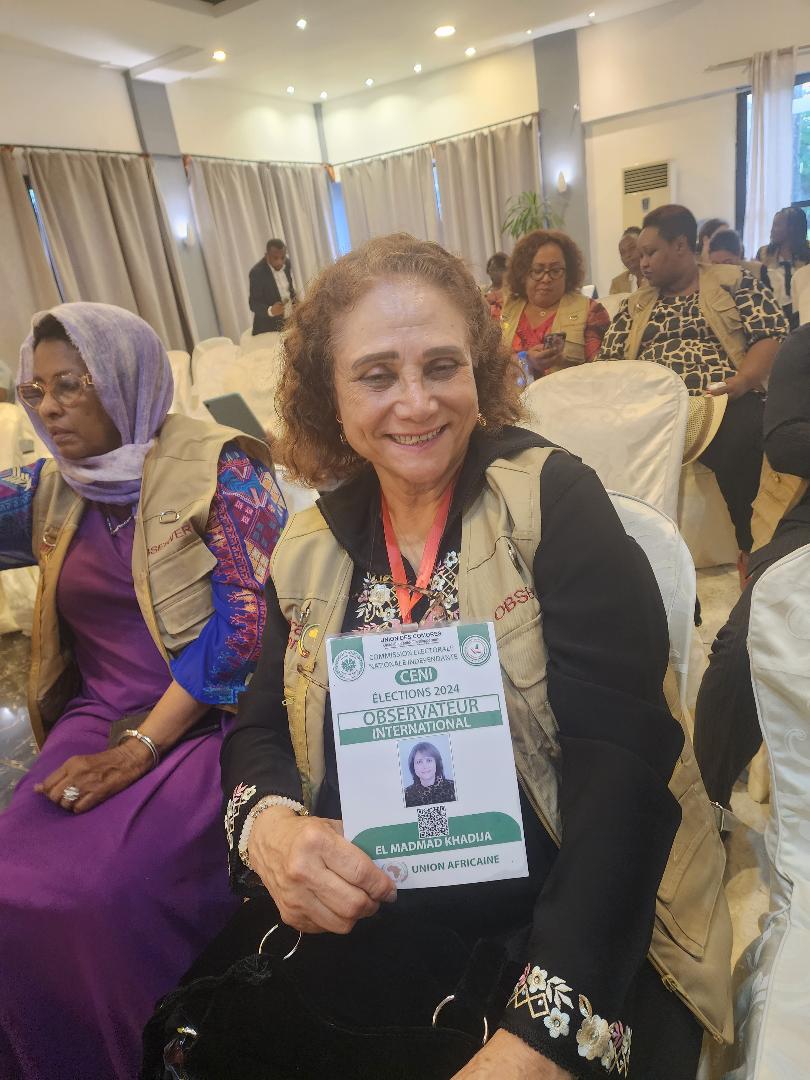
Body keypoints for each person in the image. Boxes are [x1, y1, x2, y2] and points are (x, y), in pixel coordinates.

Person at [159, 234, 732, 1080]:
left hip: (572, 912)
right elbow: (259, 729)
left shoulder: (553, 502)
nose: (417, 402)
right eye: (377, 375)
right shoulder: (309, 546)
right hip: (380, 906)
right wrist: (269, 827)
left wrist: (541, 1038)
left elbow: (625, 770)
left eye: (441, 366)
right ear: (328, 396)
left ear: (480, 372)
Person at [0, 302, 288, 1079]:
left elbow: (246, 629)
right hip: (97, 718)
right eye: (36, 389)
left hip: (208, 723)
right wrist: (116, 743)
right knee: (10, 885)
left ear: (124, 378)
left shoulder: (224, 469)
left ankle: (155, 1049)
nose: (49, 407)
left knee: (97, 898)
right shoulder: (54, 487)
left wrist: (138, 750)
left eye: (71, 384)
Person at [598, 203, 789, 561]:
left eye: (651, 253)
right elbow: (607, 362)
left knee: (745, 430)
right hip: (649, 407)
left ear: (681, 245)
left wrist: (743, 381)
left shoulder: (733, 282)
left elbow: (770, 335)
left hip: (722, 399)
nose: (643, 263)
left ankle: (753, 550)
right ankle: (633, 555)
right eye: (641, 255)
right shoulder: (635, 305)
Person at [694, 326, 810, 807]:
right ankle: (708, 803)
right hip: (806, 524)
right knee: (744, 641)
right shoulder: (805, 344)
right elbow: (787, 442)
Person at [501, 229, 610, 380]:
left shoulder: (591, 312)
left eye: (556, 270)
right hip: (511, 394)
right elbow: (486, 365)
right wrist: (525, 361)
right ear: (522, 273)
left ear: (568, 273)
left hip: (569, 393)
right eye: (537, 270)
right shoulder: (501, 309)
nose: (546, 278)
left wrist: (565, 365)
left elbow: (603, 373)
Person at [248, 238, 296, 335]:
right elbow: (253, 303)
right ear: (267, 256)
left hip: (288, 321)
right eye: (275, 258)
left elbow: (289, 289)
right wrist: (270, 311)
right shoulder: (257, 273)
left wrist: (296, 302)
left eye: (283, 257)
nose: (280, 262)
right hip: (267, 328)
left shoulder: (287, 263)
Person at [756, 205, 810, 271]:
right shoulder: (763, 253)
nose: (772, 230)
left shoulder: (807, 257)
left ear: (792, 228)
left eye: (777, 225)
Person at [403, 741, 456, 807]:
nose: (425, 766)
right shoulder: (406, 795)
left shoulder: (453, 787)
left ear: (436, 763)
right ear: (413, 767)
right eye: (419, 762)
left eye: (429, 760)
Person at [609, 226, 644, 294]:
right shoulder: (617, 283)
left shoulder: (658, 278)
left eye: (632, 248)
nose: (627, 255)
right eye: (622, 252)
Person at [484, 252, 509, 319]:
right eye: (491, 269)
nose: (492, 273)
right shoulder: (482, 291)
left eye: (496, 269)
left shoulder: (512, 293)